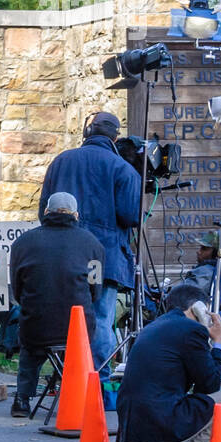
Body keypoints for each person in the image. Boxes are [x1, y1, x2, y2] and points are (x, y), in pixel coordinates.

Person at [39, 110, 141, 409]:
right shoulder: (124, 169)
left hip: (61, 254)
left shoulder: (61, 161)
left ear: (87, 132)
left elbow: (44, 209)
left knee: (66, 317)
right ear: (115, 138)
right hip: (104, 260)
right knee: (99, 319)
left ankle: (65, 382)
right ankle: (98, 388)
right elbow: (131, 216)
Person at [117, 283, 221, 442]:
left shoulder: (156, 325)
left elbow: (202, 386)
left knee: (220, 390)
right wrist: (219, 343)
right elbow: (211, 385)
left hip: (132, 422)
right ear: (198, 308)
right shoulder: (192, 329)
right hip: (159, 419)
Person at [8, 192, 104, 418]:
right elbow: (95, 290)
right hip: (76, 330)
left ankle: (22, 398)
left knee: (30, 350)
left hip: (37, 326)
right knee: (88, 336)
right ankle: (78, 397)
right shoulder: (92, 244)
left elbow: (17, 289)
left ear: (46, 212)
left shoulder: (23, 243)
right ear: (76, 215)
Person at [179, 230, 221, 302]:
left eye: (204, 249)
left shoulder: (206, 272)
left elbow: (183, 295)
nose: (199, 252)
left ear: (217, 253)